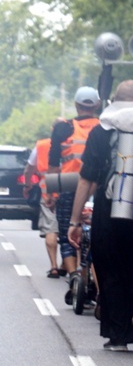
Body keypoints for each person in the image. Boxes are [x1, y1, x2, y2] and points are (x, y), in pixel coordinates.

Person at [68, 80, 133, 351]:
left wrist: (75, 220)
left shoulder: (100, 132)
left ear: (113, 100)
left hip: (107, 210)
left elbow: (87, 180)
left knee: (111, 269)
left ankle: (118, 337)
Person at [48, 87, 101, 284]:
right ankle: (93, 279)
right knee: (96, 235)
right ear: (97, 105)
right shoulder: (104, 127)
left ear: (76, 105)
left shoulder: (63, 128)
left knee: (66, 233)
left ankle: (74, 277)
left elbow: (53, 163)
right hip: (98, 189)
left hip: (69, 188)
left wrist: (51, 194)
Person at [24, 118, 65, 278]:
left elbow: (29, 169)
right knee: (72, 227)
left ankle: (54, 266)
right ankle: (69, 266)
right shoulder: (73, 143)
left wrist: (27, 186)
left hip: (46, 190)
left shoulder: (41, 145)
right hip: (72, 189)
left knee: (51, 228)